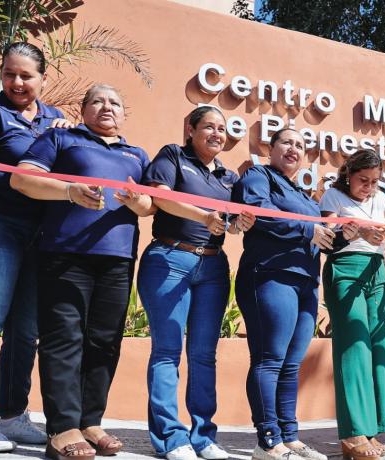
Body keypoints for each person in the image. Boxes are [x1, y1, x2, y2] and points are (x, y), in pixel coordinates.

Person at [11, 84, 152, 460]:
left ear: (124, 114)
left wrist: (141, 202)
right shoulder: (61, 139)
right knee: (64, 339)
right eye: (98, 101)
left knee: (105, 341)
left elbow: (150, 204)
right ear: (83, 109)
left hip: (118, 260)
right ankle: (62, 429)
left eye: (115, 101)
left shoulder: (137, 154)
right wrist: (70, 192)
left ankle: (91, 421)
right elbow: (22, 179)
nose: (107, 106)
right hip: (64, 254)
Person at [136, 106, 254, 460]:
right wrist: (204, 215)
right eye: (209, 127)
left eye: (222, 128)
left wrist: (238, 225)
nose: (217, 133)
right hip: (170, 260)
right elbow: (159, 195)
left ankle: (203, 437)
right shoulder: (173, 155)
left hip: (213, 266)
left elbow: (229, 223)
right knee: (167, 351)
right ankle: (171, 438)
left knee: (204, 356)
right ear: (191, 129)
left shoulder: (229, 178)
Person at [0, 42, 72, 451]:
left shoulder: (56, 118)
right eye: (9, 73)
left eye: (26, 75)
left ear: (43, 76)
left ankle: (13, 416)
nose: (17, 82)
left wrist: (68, 136)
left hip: (44, 234)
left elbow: (74, 163)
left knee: (25, 332)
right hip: (0, 226)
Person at [232, 128, 330, 460]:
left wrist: (339, 234)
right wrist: (308, 229)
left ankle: (290, 436)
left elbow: (319, 234)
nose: (294, 149)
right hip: (270, 277)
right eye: (287, 142)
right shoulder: (258, 177)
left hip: (305, 283)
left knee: (291, 364)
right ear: (271, 148)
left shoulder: (303, 195)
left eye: (300, 145)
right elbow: (259, 214)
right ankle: (267, 439)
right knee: (269, 359)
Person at [319, 149, 385, 460]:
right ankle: (351, 434)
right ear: (348, 173)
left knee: (376, 347)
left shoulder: (380, 199)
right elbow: (330, 232)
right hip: (345, 268)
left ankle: (370, 429)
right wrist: (357, 230)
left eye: (375, 182)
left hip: (376, 271)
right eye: (363, 180)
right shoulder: (332, 197)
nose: (369, 187)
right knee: (354, 347)